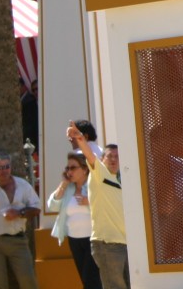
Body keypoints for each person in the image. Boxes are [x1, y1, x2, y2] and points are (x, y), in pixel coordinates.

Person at [67, 124, 128, 289]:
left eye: (117, 156)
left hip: (126, 243)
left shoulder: (125, 180)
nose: (114, 159)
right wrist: (80, 139)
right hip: (107, 244)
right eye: (110, 156)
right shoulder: (99, 173)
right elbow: (90, 155)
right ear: (102, 159)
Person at [0, 153, 40, 289]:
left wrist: (20, 213)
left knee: (28, 280)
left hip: (18, 241)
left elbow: (37, 209)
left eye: (6, 166)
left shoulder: (23, 185)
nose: (4, 171)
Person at [47, 152, 102, 289]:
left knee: (90, 278)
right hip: (74, 240)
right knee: (85, 279)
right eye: (67, 168)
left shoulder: (93, 185)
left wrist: (89, 202)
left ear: (84, 169)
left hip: (93, 239)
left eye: (73, 168)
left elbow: (105, 206)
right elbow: (52, 205)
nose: (69, 171)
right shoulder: (68, 188)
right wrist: (63, 185)